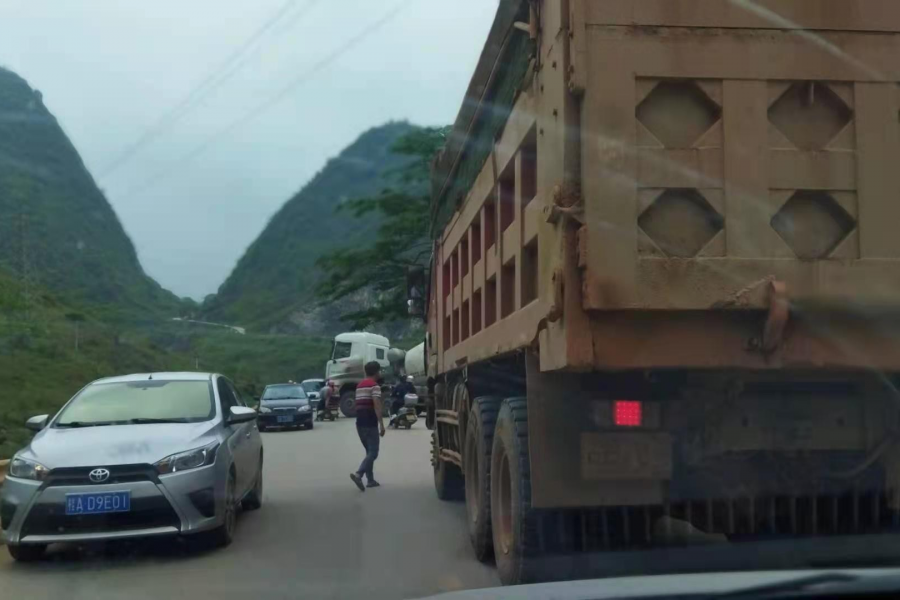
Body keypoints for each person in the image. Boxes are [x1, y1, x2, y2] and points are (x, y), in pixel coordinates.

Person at [350, 361, 385, 491]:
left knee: (368, 452)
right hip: (370, 423)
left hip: (359, 424)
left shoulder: (359, 386)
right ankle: (359, 474)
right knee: (373, 453)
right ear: (377, 372)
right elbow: (376, 404)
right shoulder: (374, 386)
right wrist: (381, 424)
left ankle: (370, 480)